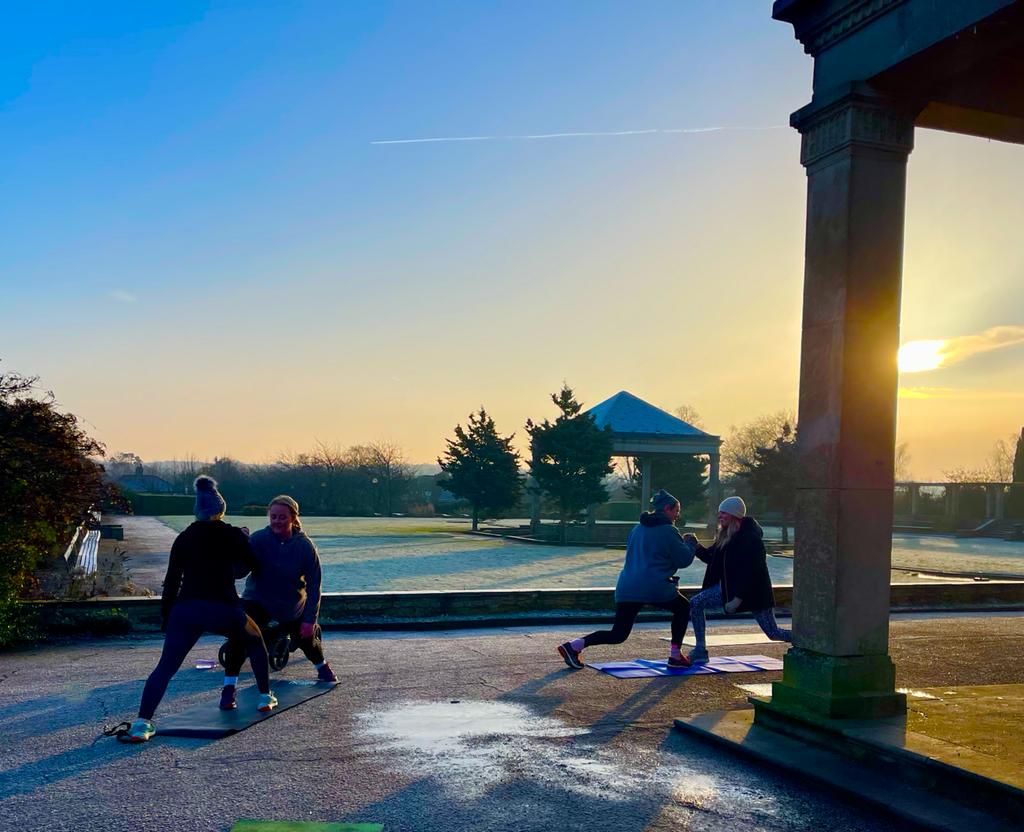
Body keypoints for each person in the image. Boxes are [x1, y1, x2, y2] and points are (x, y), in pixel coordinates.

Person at [121, 476, 275, 743]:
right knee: (255, 639)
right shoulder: (232, 533)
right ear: (220, 509)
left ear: (198, 510)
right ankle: (265, 696)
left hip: (186, 609)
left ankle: (142, 723)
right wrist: (244, 541)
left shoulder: (183, 538)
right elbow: (252, 567)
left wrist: (166, 616)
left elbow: (171, 581)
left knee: (165, 668)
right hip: (223, 607)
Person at [557, 489, 697, 670]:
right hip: (654, 587)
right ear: (668, 508)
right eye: (676, 511)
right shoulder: (669, 530)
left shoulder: (637, 528)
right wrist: (691, 543)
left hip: (628, 586)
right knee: (683, 608)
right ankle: (675, 655)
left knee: (618, 634)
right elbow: (683, 560)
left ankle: (573, 646)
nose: (677, 516)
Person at [219, 495, 335, 709]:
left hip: (291, 604)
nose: (277, 521)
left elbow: (314, 586)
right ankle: (228, 689)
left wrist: (310, 620)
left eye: (282, 517)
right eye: (273, 517)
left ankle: (322, 666)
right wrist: (237, 548)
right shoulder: (259, 539)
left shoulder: (305, 546)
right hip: (258, 600)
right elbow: (239, 572)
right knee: (239, 633)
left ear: (293, 518)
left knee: (306, 639)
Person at [683, 496, 791, 664]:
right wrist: (695, 545)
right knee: (696, 602)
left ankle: (804, 641)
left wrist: (737, 599)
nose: (720, 516)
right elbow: (712, 559)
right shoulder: (725, 536)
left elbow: (751, 572)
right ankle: (700, 649)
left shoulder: (751, 539)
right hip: (728, 590)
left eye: (724, 513)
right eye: (719, 513)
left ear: (735, 515)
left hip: (753, 594)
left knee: (773, 632)